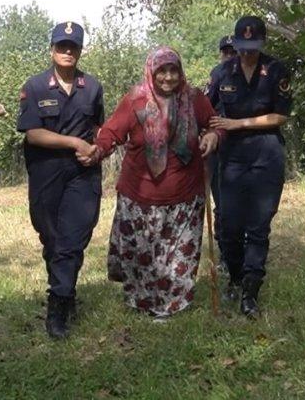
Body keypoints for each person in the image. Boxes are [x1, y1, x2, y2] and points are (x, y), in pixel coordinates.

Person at [95, 47, 221, 319]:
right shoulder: (135, 100)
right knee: (142, 254)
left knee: (178, 258)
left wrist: (213, 135)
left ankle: (171, 305)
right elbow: (111, 133)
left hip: (185, 195)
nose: (168, 77)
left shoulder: (195, 98)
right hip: (139, 195)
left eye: (173, 70)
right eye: (161, 71)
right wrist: (97, 150)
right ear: (151, 72)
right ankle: (142, 302)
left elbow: (214, 123)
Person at [17, 21, 105, 339]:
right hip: (46, 173)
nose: (67, 52)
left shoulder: (92, 87)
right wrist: (74, 143)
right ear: (52, 49)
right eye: (61, 46)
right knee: (52, 239)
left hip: (83, 175)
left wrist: (96, 150)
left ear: (80, 50)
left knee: (72, 239)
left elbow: (98, 129)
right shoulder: (35, 86)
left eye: (73, 47)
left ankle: (58, 308)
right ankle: (65, 291)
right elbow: (33, 132)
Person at [207, 16, 292, 317]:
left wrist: (238, 123)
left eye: (252, 47)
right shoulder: (221, 73)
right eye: (242, 47)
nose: (246, 53)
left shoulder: (277, 70)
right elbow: (207, 110)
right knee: (229, 226)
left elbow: (280, 116)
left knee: (258, 224)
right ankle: (235, 276)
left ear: (262, 43)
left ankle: (251, 290)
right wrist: (209, 134)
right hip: (230, 156)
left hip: (266, 152)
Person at [205, 35, 236, 259]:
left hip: (245, 145)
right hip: (220, 145)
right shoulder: (217, 74)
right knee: (223, 203)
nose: (229, 56)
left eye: (233, 52)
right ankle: (226, 254)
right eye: (226, 52)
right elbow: (206, 106)